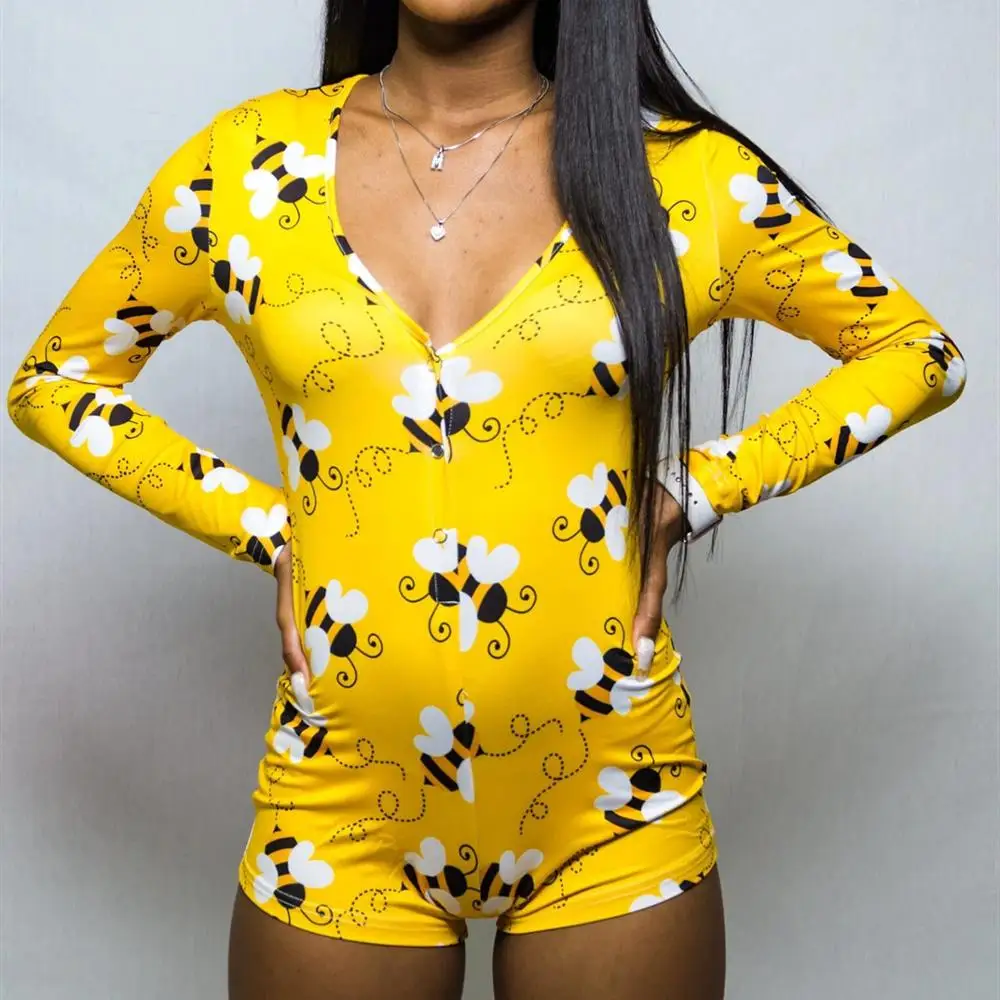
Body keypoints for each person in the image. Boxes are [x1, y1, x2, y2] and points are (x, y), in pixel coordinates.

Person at [6, 2, 967, 998]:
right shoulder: (244, 167)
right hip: (340, 808)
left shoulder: (682, 182)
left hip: (613, 809)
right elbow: (54, 382)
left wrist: (697, 487)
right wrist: (269, 527)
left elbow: (918, 354)